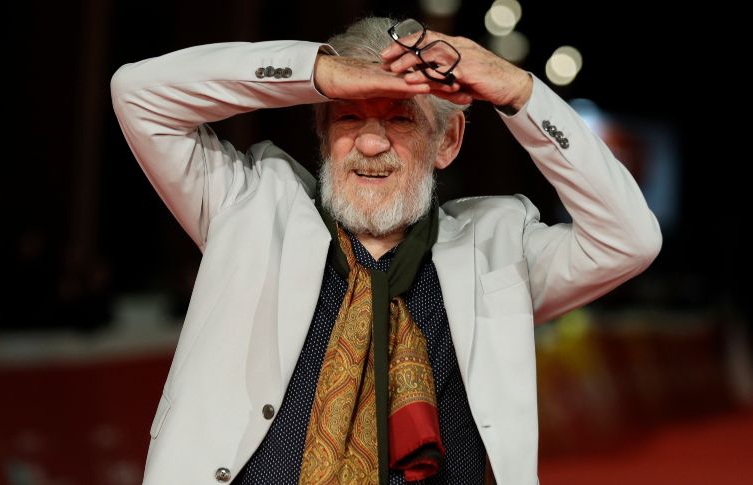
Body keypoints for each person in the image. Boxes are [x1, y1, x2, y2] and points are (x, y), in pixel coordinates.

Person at [110, 16, 661, 485]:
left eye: (399, 119)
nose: (371, 143)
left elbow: (630, 238)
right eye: (349, 116)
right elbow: (138, 94)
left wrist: (521, 92)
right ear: (324, 134)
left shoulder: (498, 251)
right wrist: (318, 71)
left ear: (447, 142)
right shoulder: (248, 207)